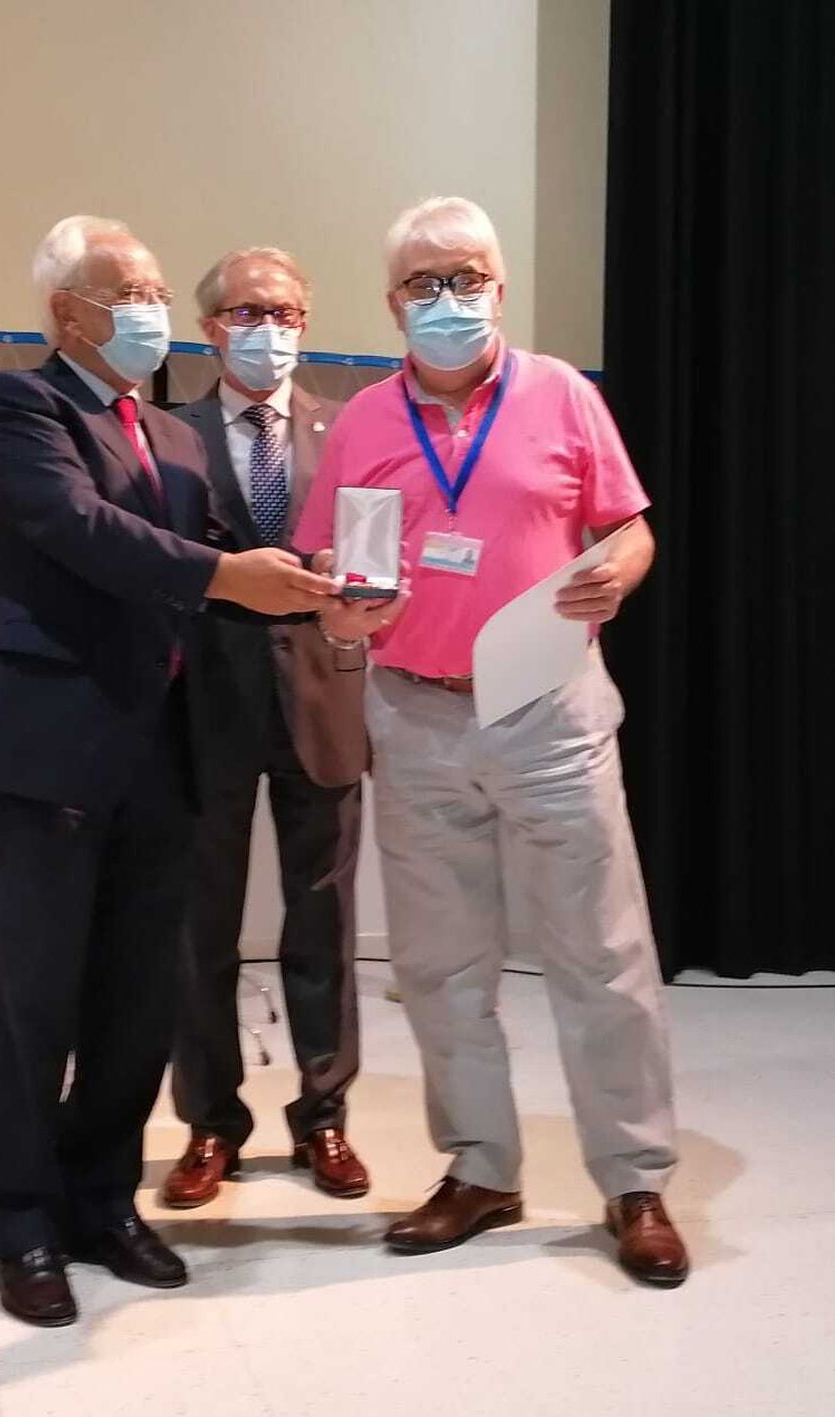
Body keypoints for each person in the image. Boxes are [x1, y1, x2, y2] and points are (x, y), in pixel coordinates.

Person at [0, 215, 339, 1327]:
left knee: (136, 999)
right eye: (132, 290)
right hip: (47, 748)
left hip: (164, 753)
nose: (152, 310)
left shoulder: (169, 436)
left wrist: (327, 587)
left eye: (159, 289)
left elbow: (244, 563)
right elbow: (78, 531)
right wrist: (226, 572)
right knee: (34, 1000)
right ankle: (20, 1220)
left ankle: (102, 1200)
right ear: (69, 312)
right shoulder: (22, 406)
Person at [297, 196, 689, 1287]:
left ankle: (634, 1179)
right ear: (389, 305)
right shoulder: (364, 421)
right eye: (422, 283)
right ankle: (480, 1168)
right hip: (414, 711)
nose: (446, 299)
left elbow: (629, 525)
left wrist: (626, 563)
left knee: (599, 953)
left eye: (464, 277)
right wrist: (338, 614)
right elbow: (322, 576)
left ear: (500, 289)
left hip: (549, 706)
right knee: (437, 964)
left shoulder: (563, 393)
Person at [163, 247, 370, 1210]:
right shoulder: (169, 432)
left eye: (285, 309)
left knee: (321, 920)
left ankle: (324, 1118)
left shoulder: (351, 428)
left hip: (324, 696)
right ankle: (211, 1122)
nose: (269, 326)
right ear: (211, 327)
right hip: (201, 700)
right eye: (247, 311)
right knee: (199, 924)